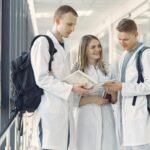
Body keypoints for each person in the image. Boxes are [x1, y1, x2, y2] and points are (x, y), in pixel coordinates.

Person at [30, 5, 90, 150]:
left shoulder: (65, 44)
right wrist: (70, 88)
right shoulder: (42, 43)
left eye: (74, 25)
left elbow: (62, 76)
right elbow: (42, 79)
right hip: (49, 111)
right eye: (69, 24)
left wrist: (77, 82)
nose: (72, 29)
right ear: (57, 20)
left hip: (65, 111)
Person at [103, 18, 150, 150]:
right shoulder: (124, 55)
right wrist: (113, 87)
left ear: (136, 35)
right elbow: (124, 83)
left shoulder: (146, 54)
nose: (122, 43)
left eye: (126, 39)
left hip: (140, 117)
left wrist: (122, 86)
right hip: (126, 118)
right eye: (119, 39)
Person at [72, 35, 118, 150]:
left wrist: (112, 92)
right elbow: (72, 100)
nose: (97, 49)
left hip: (106, 114)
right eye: (93, 47)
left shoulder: (109, 68)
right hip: (86, 116)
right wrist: (92, 99)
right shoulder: (77, 70)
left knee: (107, 145)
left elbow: (115, 99)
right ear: (84, 49)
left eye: (99, 46)